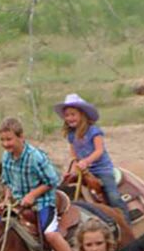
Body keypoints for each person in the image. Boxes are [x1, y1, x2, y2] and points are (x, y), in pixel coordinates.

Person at [0, 117, 75, 251]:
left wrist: (33, 195)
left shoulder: (35, 157)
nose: (6, 144)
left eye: (9, 139)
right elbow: (7, 182)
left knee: (50, 235)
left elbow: (52, 180)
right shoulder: (6, 156)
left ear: (21, 137)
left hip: (42, 203)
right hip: (17, 204)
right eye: (2, 140)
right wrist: (6, 200)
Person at [54, 93, 132, 223]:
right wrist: (73, 167)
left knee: (113, 196)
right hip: (82, 170)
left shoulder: (94, 131)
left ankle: (125, 221)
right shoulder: (71, 135)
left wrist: (86, 161)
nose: (69, 118)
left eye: (73, 114)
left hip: (101, 169)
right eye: (67, 115)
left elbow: (99, 151)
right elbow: (74, 155)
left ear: (82, 115)